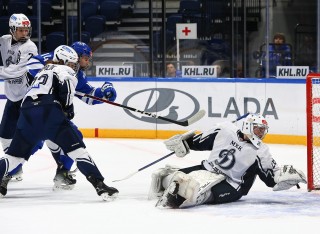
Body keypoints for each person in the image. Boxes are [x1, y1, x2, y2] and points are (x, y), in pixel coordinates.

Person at [0, 45, 119, 200]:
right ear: (68, 59)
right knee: (77, 149)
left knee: (14, 156)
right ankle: (100, 185)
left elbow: (87, 94)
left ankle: (60, 173)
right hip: (49, 112)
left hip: (27, 110)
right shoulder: (64, 68)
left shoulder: (49, 68)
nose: (80, 64)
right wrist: (68, 109)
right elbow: (67, 89)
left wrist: (103, 94)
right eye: (82, 59)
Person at [148, 113, 307, 208]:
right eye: (258, 129)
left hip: (231, 184)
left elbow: (271, 179)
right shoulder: (225, 130)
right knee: (167, 177)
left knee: (192, 191)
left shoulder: (261, 151)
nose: (260, 134)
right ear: (248, 126)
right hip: (207, 169)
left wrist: (284, 179)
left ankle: (190, 196)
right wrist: (185, 143)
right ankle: (177, 185)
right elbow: (201, 142)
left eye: (263, 131)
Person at [0, 14, 38, 180]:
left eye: (26, 30)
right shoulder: (4, 40)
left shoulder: (30, 48)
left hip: (27, 98)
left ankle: (15, 165)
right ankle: (14, 166)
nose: (24, 33)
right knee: (5, 135)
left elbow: (17, 72)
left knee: (30, 136)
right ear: (12, 29)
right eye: (21, 30)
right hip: (12, 96)